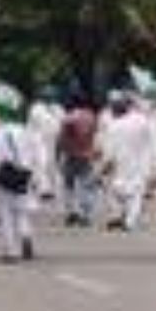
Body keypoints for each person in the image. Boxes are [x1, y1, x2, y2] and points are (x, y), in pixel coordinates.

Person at [0, 84, 37, 262]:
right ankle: (26, 237)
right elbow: (33, 154)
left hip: (6, 175)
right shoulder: (24, 130)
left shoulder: (2, 131)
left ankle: (10, 251)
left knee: (6, 214)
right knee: (22, 211)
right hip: (24, 174)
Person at [99, 90, 155, 231]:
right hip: (140, 162)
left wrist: (104, 166)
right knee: (136, 193)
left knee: (117, 190)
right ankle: (129, 220)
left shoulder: (113, 126)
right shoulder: (141, 120)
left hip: (121, 163)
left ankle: (119, 216)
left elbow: (109, 151)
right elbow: (150, 139)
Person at [58, 93, 99, 227]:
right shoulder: (92, 117)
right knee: (86, 186)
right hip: (87, 155)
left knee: (68, 186)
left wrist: (59, 154)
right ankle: (85, 214)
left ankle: (71, 212)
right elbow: (95, 135)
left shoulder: (68, 118)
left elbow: (61, 139)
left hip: (71, 155)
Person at [27, 87, 64, 201]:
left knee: (52, 164)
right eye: (47, 96)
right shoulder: (36, 108)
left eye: (51, 96)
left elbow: (62, 123)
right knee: (42, 162)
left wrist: (61, 139)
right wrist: (29, 141)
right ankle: (43, 189)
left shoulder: (58, 108)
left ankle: (52, 189)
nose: (49, 98)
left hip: (53, 140)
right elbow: (31, 126)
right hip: (39, 139)